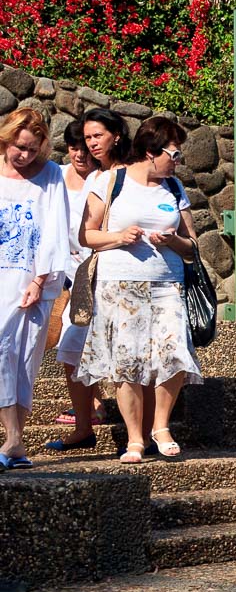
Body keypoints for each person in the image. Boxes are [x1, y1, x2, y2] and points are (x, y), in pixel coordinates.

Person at [76, 117, 200, 464]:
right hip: (119, 285)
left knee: (175, 355)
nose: (177, 161)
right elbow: (86, 235)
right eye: (173, 154)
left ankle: (160, 426)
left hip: (167, 284)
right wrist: (118, 236)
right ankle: (134, 440)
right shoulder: (111, 181)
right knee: (127, 363)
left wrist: (173, 240)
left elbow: (191, 247)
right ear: (151, 151)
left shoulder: (174, 188)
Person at [0, 108, 69, 469]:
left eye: (31, 149)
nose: (23, 155)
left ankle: (16, 443)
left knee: (24, 358)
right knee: (0, 352)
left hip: (32, 280)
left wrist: (40, 280)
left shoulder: (51, 175)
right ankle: (13, 439)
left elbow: (56, 229)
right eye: (18, 146)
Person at [46, 118, 106, 451]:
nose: (79, 155)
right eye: (73, 148)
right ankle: (90, 405)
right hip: (65, 265)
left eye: (84, 148)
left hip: (93, 266)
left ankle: (91, 409)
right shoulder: (57, 174)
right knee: (70, 339)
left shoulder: (102, 177)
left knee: (77, 336)